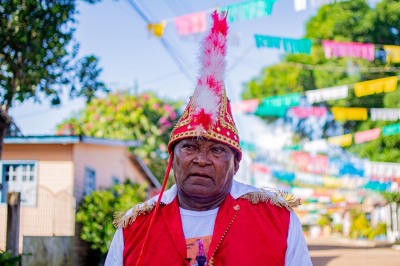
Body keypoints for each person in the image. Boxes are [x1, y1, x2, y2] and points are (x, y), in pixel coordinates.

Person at [105, 10, 312, 266]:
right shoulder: (135, 226)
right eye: (190, 147)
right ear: (172, 156)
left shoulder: (277, 219)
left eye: (216, 151)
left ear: (236, 164)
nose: (201, 160)